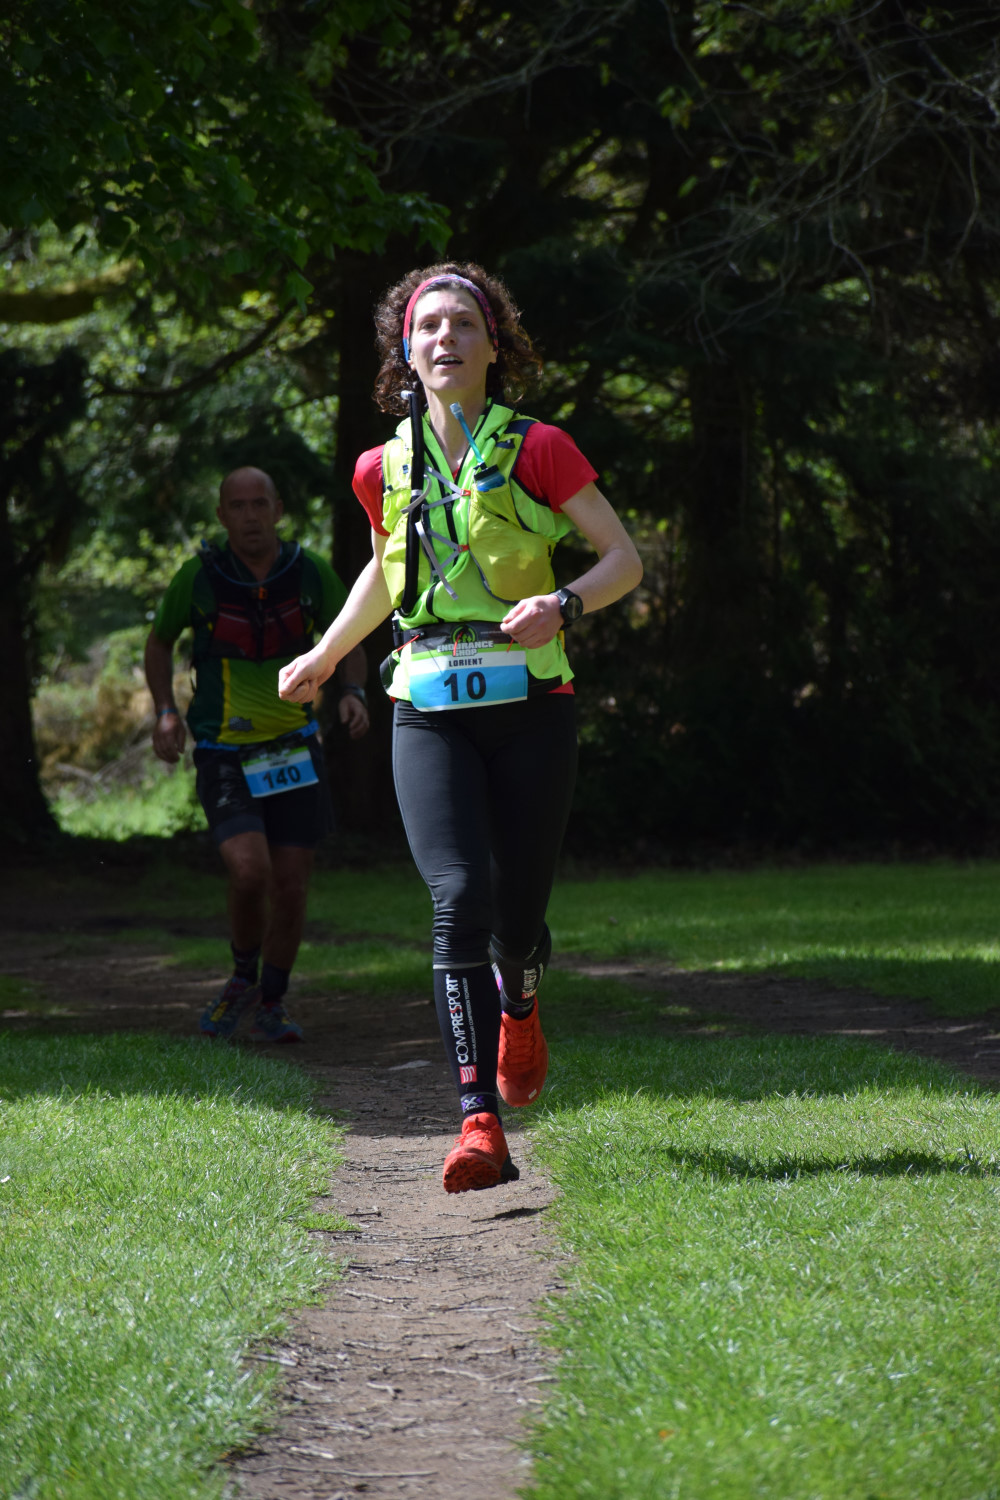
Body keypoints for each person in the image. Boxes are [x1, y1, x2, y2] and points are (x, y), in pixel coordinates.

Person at [278, 262, 641, 1189]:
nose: (446, 338)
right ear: (406, 351)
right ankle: (478, 1120)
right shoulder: (381, 467)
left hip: (532, 708)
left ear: (493, 345)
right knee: (458, 897)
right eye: (429, 327)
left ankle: (521, 1001)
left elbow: (623, 559)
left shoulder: (539, 448)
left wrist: (563, 602)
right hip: (427, 705)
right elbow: (385, 570)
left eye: (464, 324)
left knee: (516, 920)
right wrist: (325, 653)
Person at [145, 465, 369, 1043]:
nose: (249, 516)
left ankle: (272, 1000)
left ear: (278, 509)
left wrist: (352, 691)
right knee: (250, 872)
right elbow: (159, 641)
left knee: (291, 884)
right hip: (224, 751)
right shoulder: (199, 577)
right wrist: (165, 710)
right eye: (238, 506)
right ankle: (242, 976)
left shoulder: (310, 571)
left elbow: (350, 635)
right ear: (222, 516)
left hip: (294, 747)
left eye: (259, 504)